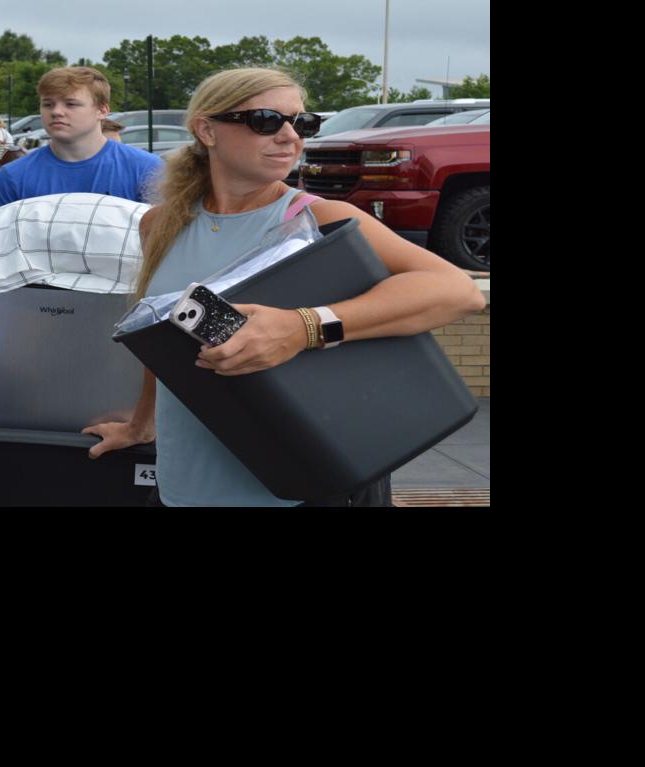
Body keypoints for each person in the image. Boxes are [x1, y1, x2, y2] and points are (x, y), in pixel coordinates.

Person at [82, 68, 486, 507]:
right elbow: (163, 343)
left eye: (302, 122)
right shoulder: (159, 224)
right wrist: (142, 424)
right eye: (266, 121)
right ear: (206, 130)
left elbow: (455, 291)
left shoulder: (317, 218)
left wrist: (305, 327)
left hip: (301, 480)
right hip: (185, 481)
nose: (290, 136)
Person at [0, 66, 163, 212]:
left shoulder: (148, 171)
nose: (56, 112)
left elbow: (168, 244)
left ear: (102, 110)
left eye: (71, 104)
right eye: (48, 104)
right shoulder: (13, 176)